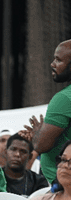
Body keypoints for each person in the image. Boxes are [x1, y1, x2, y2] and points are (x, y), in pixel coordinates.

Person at [21, 39, 71, 185]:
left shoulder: (64, 99)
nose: (52, 64)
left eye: (58, 60)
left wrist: (38, 133)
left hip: (62, 186)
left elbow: (41, 146)